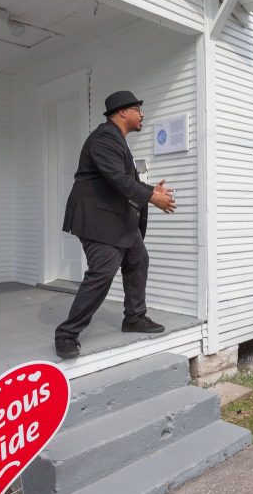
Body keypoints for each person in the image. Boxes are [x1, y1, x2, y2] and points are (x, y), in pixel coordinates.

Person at [54, 91, 176, 360]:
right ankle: (66, 334)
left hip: (116, 219)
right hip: (97, 219)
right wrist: (152, 197)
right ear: (122, 112)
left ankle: (134, 317)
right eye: (138, 110)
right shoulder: (104, 138)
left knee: (138, 259)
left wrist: (149, 190)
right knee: (103, 271)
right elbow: (117, 181)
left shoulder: (116, 140)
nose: (142, 114)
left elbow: (121, 179)